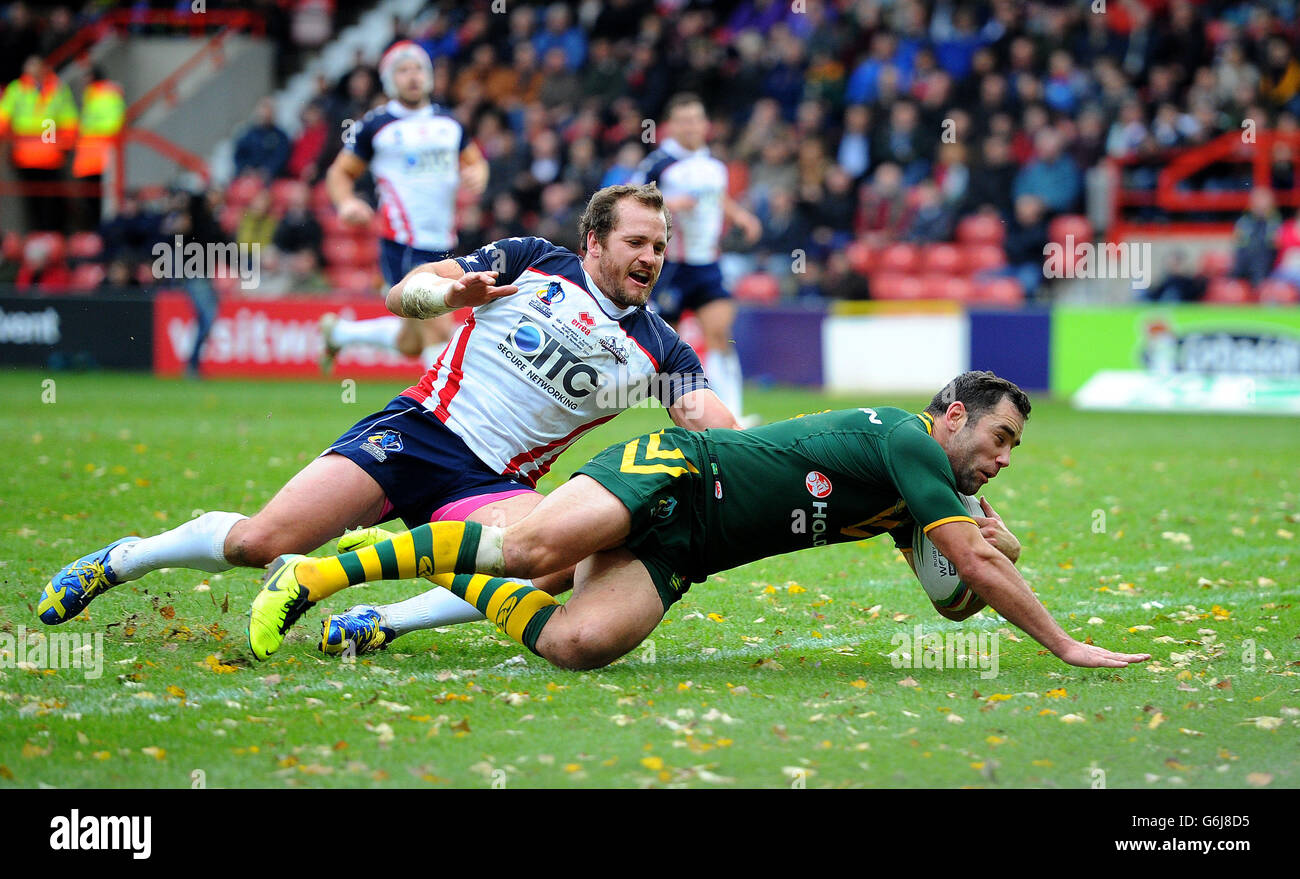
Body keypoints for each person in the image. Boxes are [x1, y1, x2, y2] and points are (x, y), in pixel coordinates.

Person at [38, 184, 740, 644]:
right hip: (417, 433)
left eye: (659, 247)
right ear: (594, 241)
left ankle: (381, 621)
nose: (650, 257)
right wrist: (450, 294)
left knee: (555, 556)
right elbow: (404, 291)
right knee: (260, 543)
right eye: (636, 243)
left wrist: (769, 453)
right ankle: (122, 558)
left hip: (491, 485)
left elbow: (716, 424)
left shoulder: (659, 347)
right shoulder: (531, 261)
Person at [249, 371, 1151, 672]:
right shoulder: (911, 442)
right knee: (533, 545)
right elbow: (980, 580)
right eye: (997, 437)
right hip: (677, 471)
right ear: (952, 414)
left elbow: (957, 600)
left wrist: (996, 538)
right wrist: (1067, 645)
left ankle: (441, 577)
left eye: (1012, 451)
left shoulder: (919, 498)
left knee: (578, 644)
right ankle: (319, 573)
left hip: (692, 548)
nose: (1001, 457)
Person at [318, 41, 489, 372]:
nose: (413, 76)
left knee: (412, 341)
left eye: (418, 69)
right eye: (403, 70)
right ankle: (436, 414)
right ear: (389, 80)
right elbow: (339, 173)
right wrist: (347, 202)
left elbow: (476, 162)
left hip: (443, 242)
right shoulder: (375, 125)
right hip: (403, 245)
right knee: (439, 328)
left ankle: (338, 333)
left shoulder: (448, 122)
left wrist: (478, 176)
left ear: (429, 76)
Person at [632, 93, 762, 425]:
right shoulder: (658, 164)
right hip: (671, 266)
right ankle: (687, 419)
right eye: (684, 121)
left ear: (706, 125)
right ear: (672, 126)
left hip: (708, 264)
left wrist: (740, 215)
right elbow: (629, 201)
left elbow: (715, 199)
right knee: (667, 347)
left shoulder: (714, 166)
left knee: (720, 334)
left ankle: (733, 415)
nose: (691, 127)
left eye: (696, 120)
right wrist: (669, 202)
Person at [0, 55, 78, 230]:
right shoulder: (17, 89)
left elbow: (69, 119)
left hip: (51, 156)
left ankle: (51, 234)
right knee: (32, 201)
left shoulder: (58, 89)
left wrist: (66, 144)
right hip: (25, 156)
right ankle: (37, 234)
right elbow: (3, 117)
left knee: (52, 202)